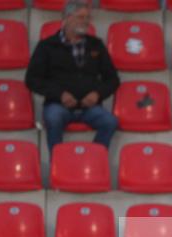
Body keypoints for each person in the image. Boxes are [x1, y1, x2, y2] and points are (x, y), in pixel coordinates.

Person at [25, 0, 119, 153]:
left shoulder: (96, 45)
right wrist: (59, 95)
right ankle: (58, 165)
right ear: (67, 18)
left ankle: (93, 159)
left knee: (110, 122)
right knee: (53, 119)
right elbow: (32, 79)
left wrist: (97, 94)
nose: (86, 21)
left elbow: (113, 79)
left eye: (88, 18)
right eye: (81, 17)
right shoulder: (47, 46)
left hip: (90, 107)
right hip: (57, 105)